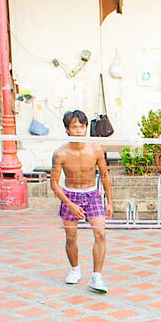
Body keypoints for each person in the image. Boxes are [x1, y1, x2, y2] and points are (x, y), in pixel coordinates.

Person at [51, 110, 113, 293]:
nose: (78, 130)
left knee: (100, 233)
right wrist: (69, 204)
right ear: (67, 130)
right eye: (74, 127)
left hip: (92, 194)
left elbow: (105, 175)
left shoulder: (96, 150)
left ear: (86, 128)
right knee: (71, 237)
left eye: (81, 126)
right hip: (70, 195)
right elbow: (54, 183)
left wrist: (109, 201)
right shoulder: (60, 153)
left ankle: (96, 277)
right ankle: (75, 269)